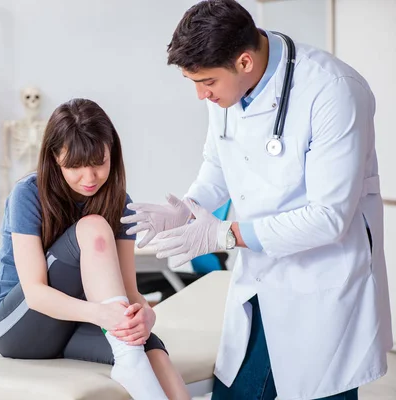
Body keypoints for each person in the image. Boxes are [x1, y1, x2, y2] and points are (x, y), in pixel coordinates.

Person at [121, 1, 392, 399]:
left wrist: (225, 235)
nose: (200, 95)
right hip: (259, 279)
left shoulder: (333, 90)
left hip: (321, 282)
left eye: (207, 82)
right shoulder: (229, 92)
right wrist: (190, 207)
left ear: (244, 61)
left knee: (316, 386)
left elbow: (329, 218)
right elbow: (219, 164)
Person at [0, 98, 189, 400]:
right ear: (56, 158)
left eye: (98, 163)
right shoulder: (28, 193)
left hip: (76, 324)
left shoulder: (120, 201)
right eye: (76, 166)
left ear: (112, 154)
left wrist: (146, 316)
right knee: (93, 227)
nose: (89, 177)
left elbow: (129, 293)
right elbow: (35, 292)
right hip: (19, 327)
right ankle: (129, 358)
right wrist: (101, 314)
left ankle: (132, 361)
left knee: (147, 345)